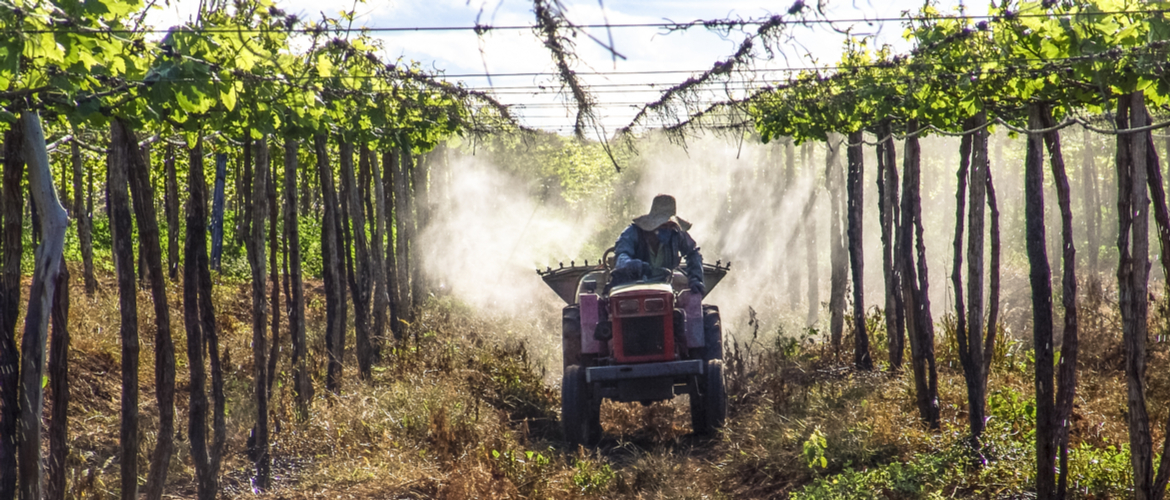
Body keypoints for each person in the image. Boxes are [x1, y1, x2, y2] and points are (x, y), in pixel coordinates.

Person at [611, 194, 705, 296]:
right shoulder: (632, 232)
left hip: (665, 288)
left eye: (670, 225)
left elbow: (693, 253)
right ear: (653, 224)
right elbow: (621, 255)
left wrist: (695, 278)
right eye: (663, 225)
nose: (668, 229)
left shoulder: (676, 234)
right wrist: (632, 264)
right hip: (630, 288)